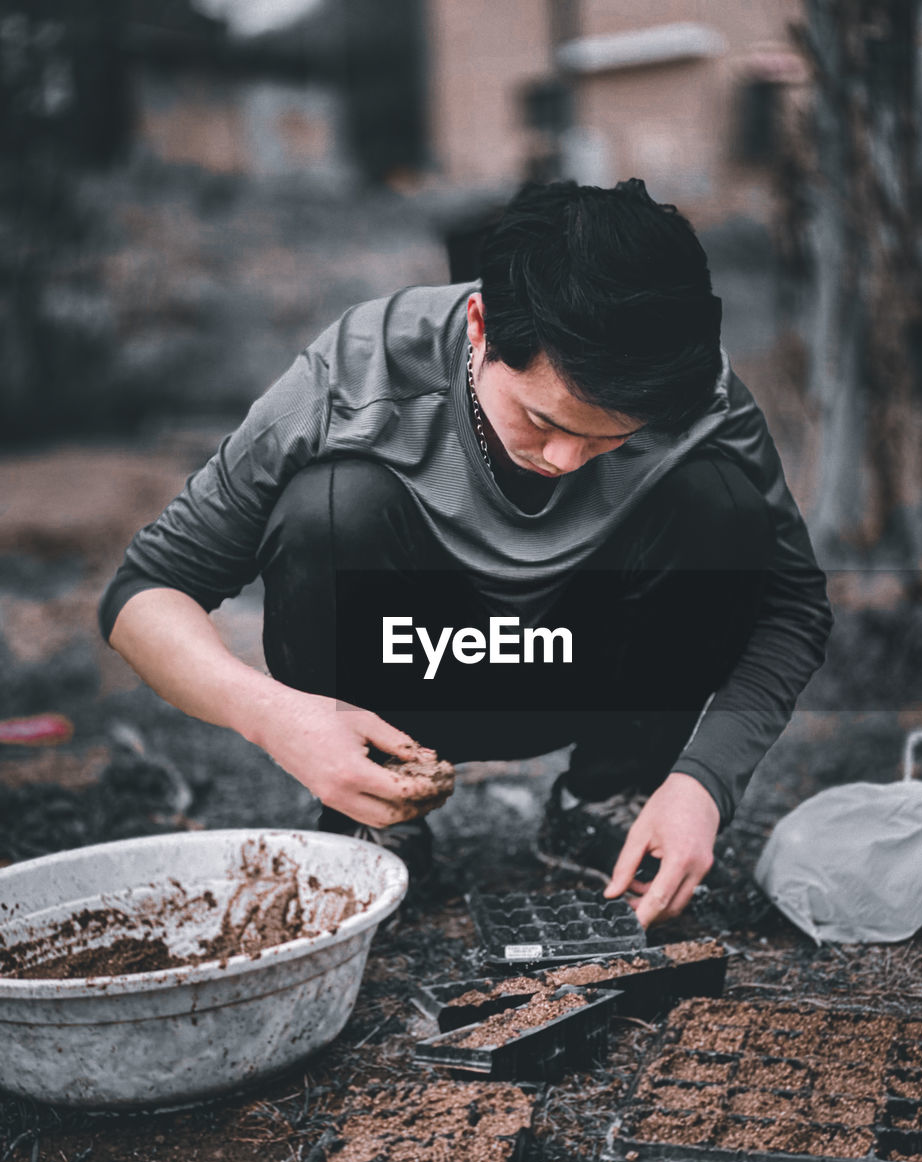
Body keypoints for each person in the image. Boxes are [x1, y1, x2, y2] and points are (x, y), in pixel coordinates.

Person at [99, 179, 832, 927]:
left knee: (721, 504)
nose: (567, 459)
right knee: (332, 503)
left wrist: (703, 783)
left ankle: (605, 799)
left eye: (613, 437)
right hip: (413, 683)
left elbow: (793, 605)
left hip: (589, 676)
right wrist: (275, 717)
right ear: (479, 324)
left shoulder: (696, 393)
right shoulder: (360, 369)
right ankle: (378, 813)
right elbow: (145, 593)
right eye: (541, 420)